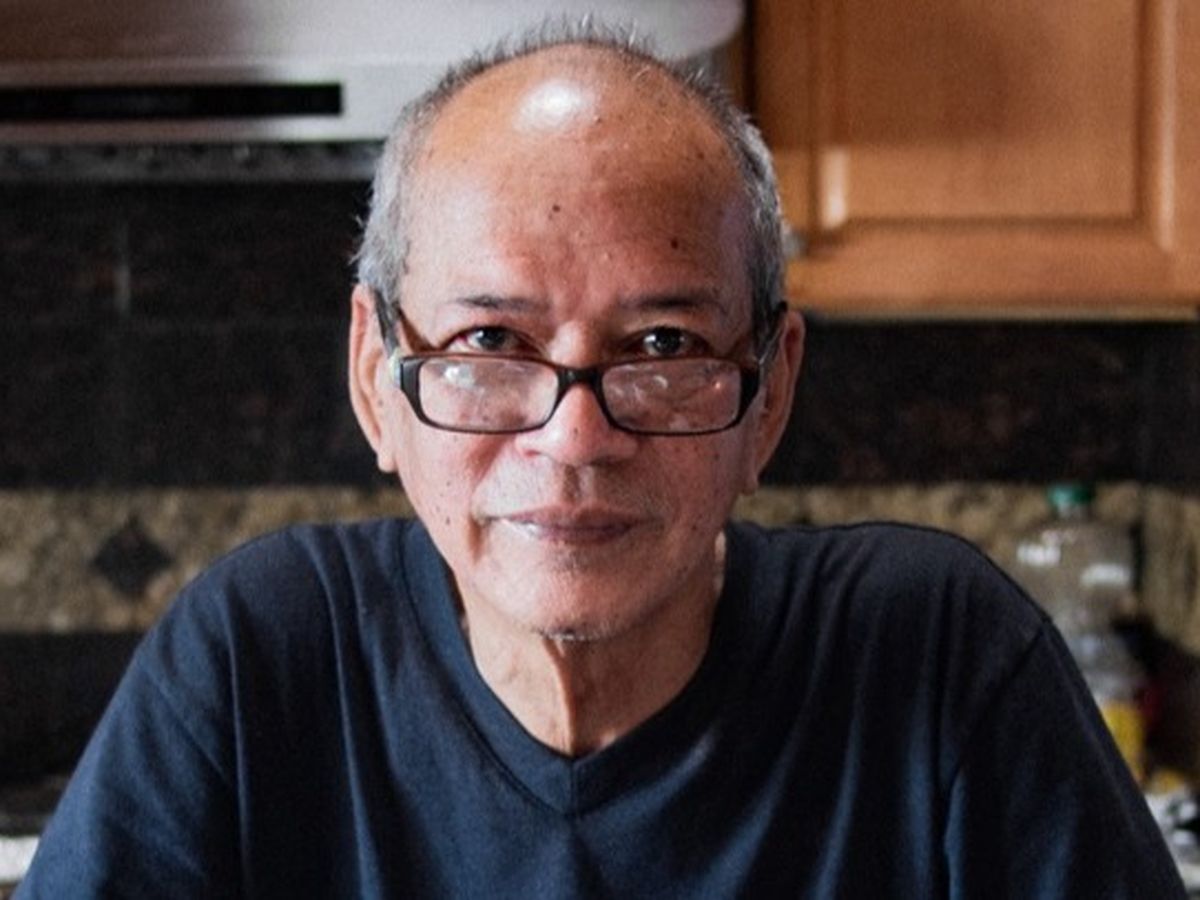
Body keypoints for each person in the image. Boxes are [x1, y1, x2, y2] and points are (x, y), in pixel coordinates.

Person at [18, 23, 1187, 899]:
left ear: (772, 391)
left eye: (664, 346)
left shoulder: (935, 656)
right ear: (377, 376)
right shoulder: (260, 658)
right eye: (490, 343)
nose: (575, 438)